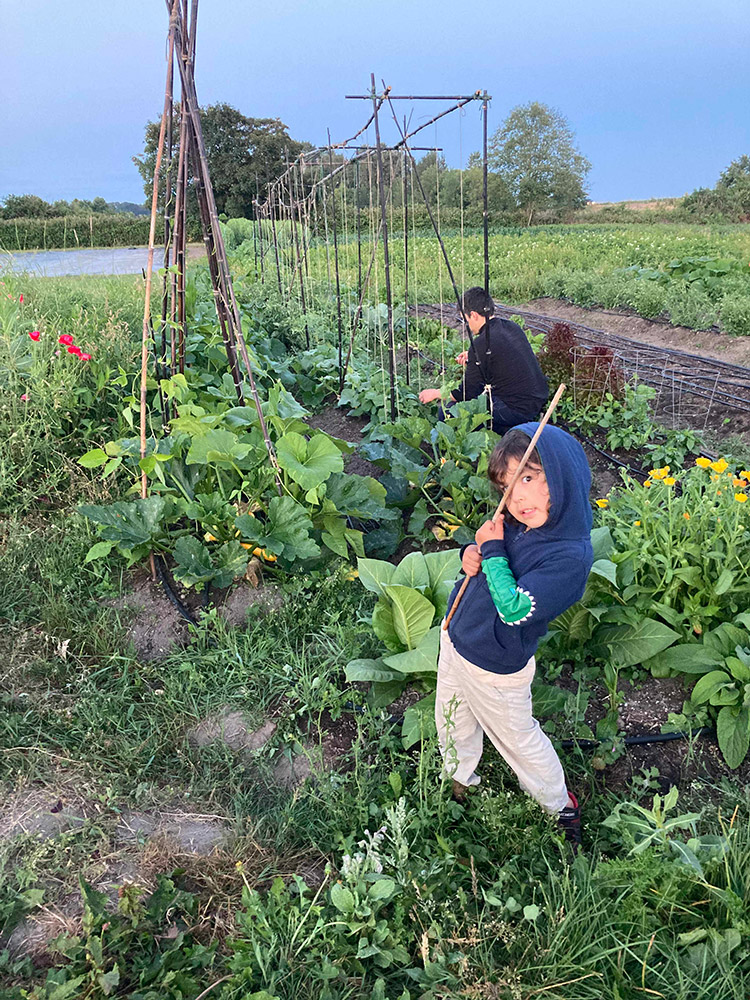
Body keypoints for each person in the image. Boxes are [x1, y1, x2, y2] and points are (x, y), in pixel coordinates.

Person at [436, 422, 593, 843]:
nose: (517, 496)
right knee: (451, 719)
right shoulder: (519, 523)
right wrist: (473, 555)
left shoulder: (568, 556)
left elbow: (515, 609)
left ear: (562, 475)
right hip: (456, 638)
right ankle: (459, 779)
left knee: (519, 742)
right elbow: (488, 564)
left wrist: (490, 550)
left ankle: (560, 807)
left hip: (495, 665)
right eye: (509, 484)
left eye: (528, 477)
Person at [418, 287, 549, 435]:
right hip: (535, 400)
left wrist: (436, 393)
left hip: (516, 410)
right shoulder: (510, 326)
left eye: (465, 319)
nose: (465, 325)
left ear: (473, 315)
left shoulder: (481, 344)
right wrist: (473, 357)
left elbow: (466, 393)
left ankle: (506, 433)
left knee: (447, 412)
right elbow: (503, 357)